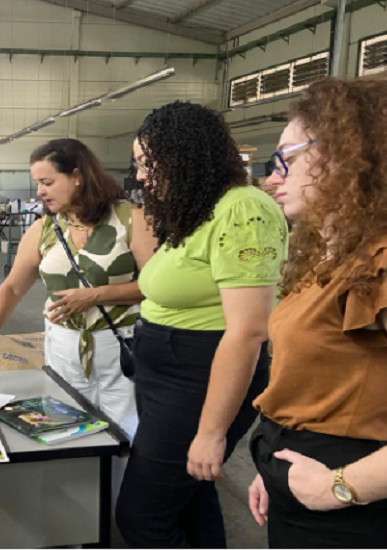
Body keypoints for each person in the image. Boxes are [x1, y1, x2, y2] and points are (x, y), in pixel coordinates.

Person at [116, 101, 289, 548]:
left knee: (142, 516)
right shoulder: (198, 210)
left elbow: (249, 330)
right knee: (188, 499)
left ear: (185, 155)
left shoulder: (243, 210)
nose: (140, 176)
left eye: (147, 163)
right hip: (166, 375)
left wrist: (210, 434)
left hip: (195, 375)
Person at [248, 77, 387, 548]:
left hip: (351, 509)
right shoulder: (339, 259)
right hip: (304, 483)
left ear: (350, 154)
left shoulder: (380, 264)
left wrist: (340, 486)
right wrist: (274, 465)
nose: (273, 177)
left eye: (288, 157)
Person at [0, 138, 157, 440]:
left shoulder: (132, 219)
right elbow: (13, 287)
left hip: (122, 348)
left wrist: (95, 295)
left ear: (78, 177)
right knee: (67, 427)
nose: (40, 191)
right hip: (62, 348)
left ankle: (124, 488)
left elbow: (158, 286)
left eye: (47, 182)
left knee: (128, 432)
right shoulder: (44, 229)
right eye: (38, 183)